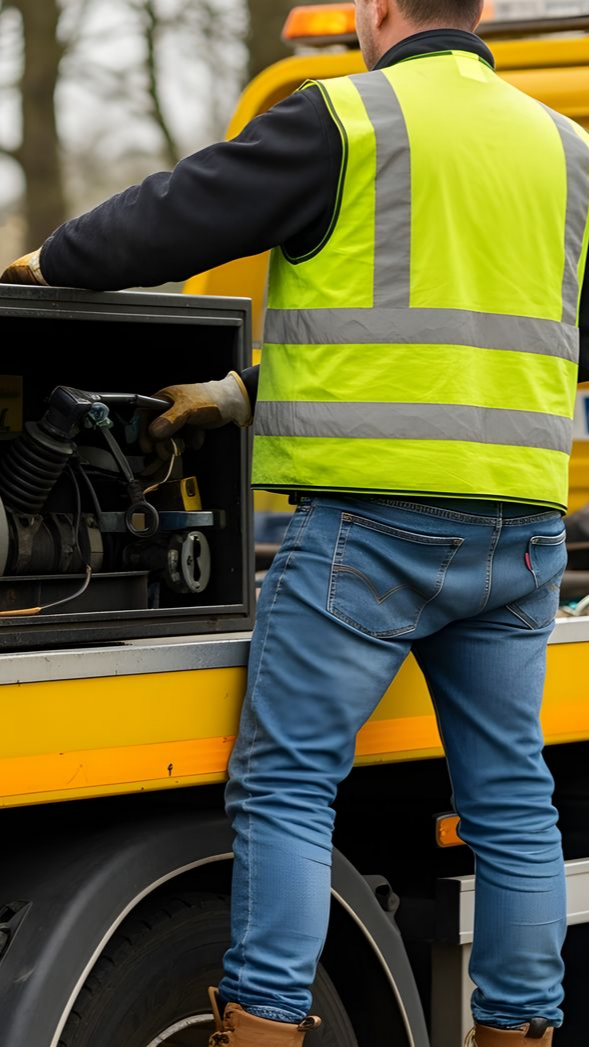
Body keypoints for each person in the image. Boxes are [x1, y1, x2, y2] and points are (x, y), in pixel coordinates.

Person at [4, 1, 589, 1043]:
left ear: (376, 9)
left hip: (370, 535)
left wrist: (52, 264)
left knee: (287, 785)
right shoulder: (566, 151)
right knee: (511, 805)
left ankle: (267, 1026)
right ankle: (519, 1032)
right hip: (521, 536)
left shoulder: (349, 118)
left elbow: (177, 214)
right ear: (482, 14)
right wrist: (237, 395)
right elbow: (475, 349)